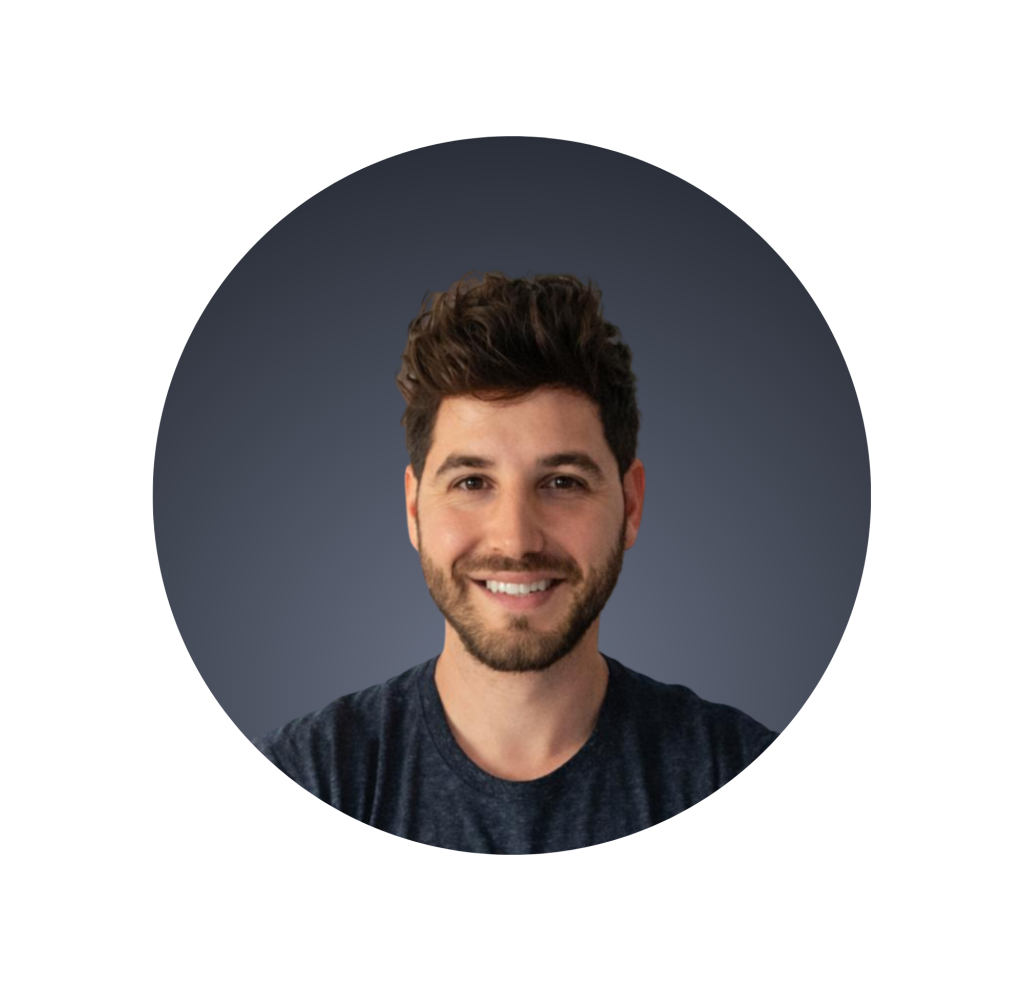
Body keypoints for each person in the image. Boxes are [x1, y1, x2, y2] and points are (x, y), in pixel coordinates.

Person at [250, 271, 779, 853]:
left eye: (562, 482)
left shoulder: (729, 767)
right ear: (414, 508)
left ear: (631, 505)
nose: (516, 540)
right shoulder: (312, 776)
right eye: (472, 482)